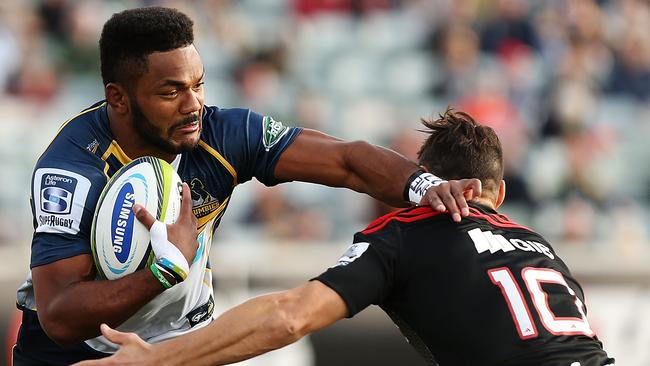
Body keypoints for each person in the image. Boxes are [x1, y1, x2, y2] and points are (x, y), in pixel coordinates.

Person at [13, 7, 481, 365]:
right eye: (171, 91)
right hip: (77, 356)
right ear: (118, 97)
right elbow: (58, 315)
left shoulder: (223, 134)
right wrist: (165, 269)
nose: (193, 104)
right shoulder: (72, 169)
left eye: (198, 85)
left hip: (178, 345)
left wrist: (422, 184)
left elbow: (346, 160)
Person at [76, 109, 614, 366]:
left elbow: (290, 316)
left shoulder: (409, 231)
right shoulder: (542, 246)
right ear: (494, 192)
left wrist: (156, 359)